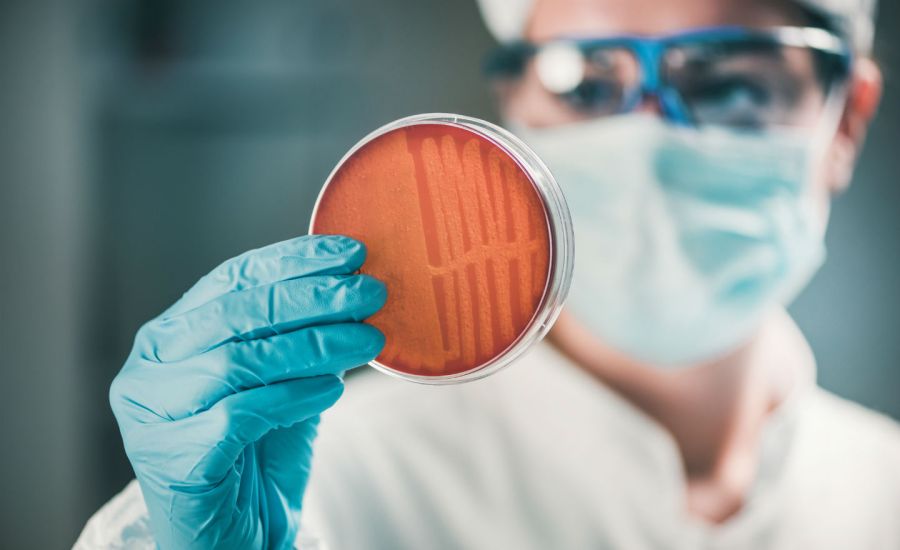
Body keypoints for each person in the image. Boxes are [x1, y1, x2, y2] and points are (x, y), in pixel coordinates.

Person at [76, 0, 900, 548]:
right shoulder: (338, 482)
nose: (647, 138)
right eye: (585, 81)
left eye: (726, 85)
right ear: (513, 113)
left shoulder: (883, 493)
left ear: (847, 119)